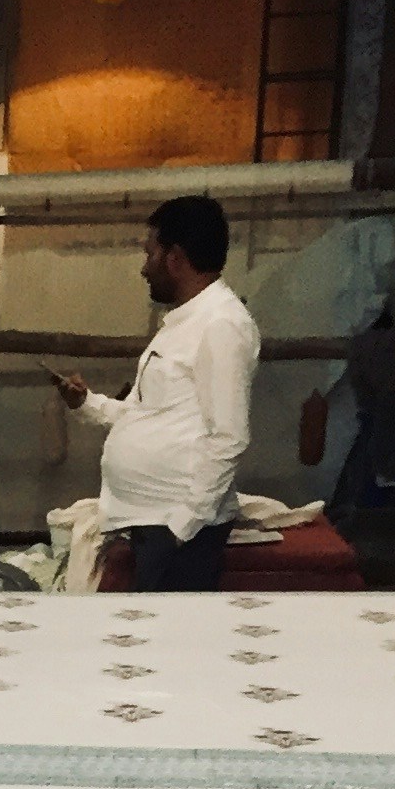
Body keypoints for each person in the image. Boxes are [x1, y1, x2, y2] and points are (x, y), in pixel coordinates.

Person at [49, 196, 258, 592]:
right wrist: (86, 403)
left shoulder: (222, 325)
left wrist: (183, 526)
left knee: (170, 630)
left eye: (150, 254)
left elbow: (229, 437)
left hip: (178, 530)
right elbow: (145, 414)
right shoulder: (182, 323)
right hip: (157, 525)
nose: (144, 268)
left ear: (174, 258)